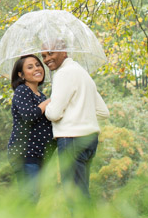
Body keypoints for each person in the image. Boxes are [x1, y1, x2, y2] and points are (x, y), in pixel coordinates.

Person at [42, 42, 109, 201]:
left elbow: (54, 114)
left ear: (63, 51)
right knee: (82, 191)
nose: (47, 59)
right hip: (90, 139)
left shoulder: (63, 73)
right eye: (44, 56)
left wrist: (47, 104)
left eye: (51, 53)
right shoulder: (83, 74)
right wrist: (80, 113)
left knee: (74, 196)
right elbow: (103, 112)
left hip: (71, 140)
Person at [8, 55, 56, 201]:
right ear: (21, 75)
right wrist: (48, 102)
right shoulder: (22, 91)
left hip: (40, 156)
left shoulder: (41, 96)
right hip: (25, 154)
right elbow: (29, 115)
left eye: (37, 65)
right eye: (30, 67)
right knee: (30, 197)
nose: (36, 68)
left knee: (35, 198)